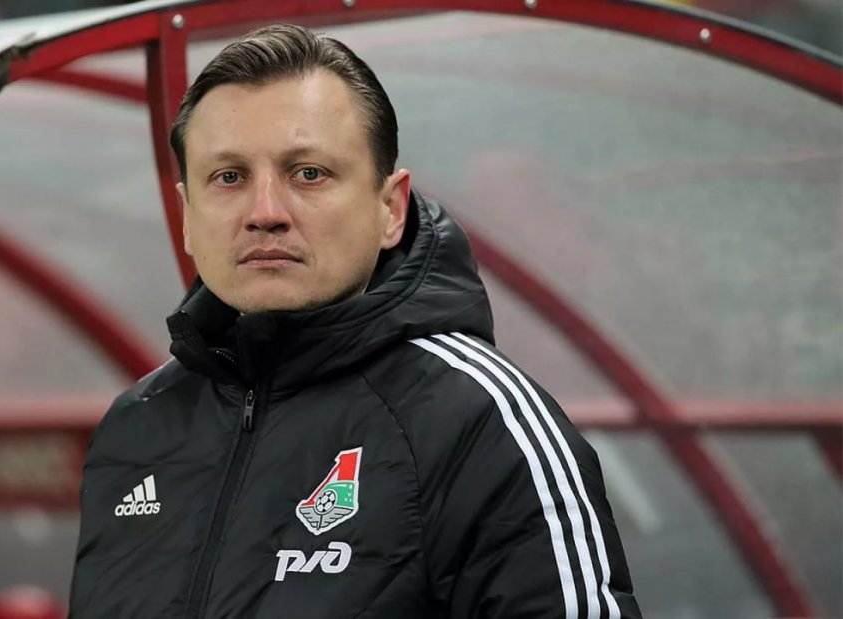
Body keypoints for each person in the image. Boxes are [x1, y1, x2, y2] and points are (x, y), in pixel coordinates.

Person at [69, 24, 642, 619]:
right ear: (188, 216)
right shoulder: (136, 426)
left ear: (390, 209)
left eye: (308, 173)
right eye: (229, 177)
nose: (265, 212)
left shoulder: (480, 421)